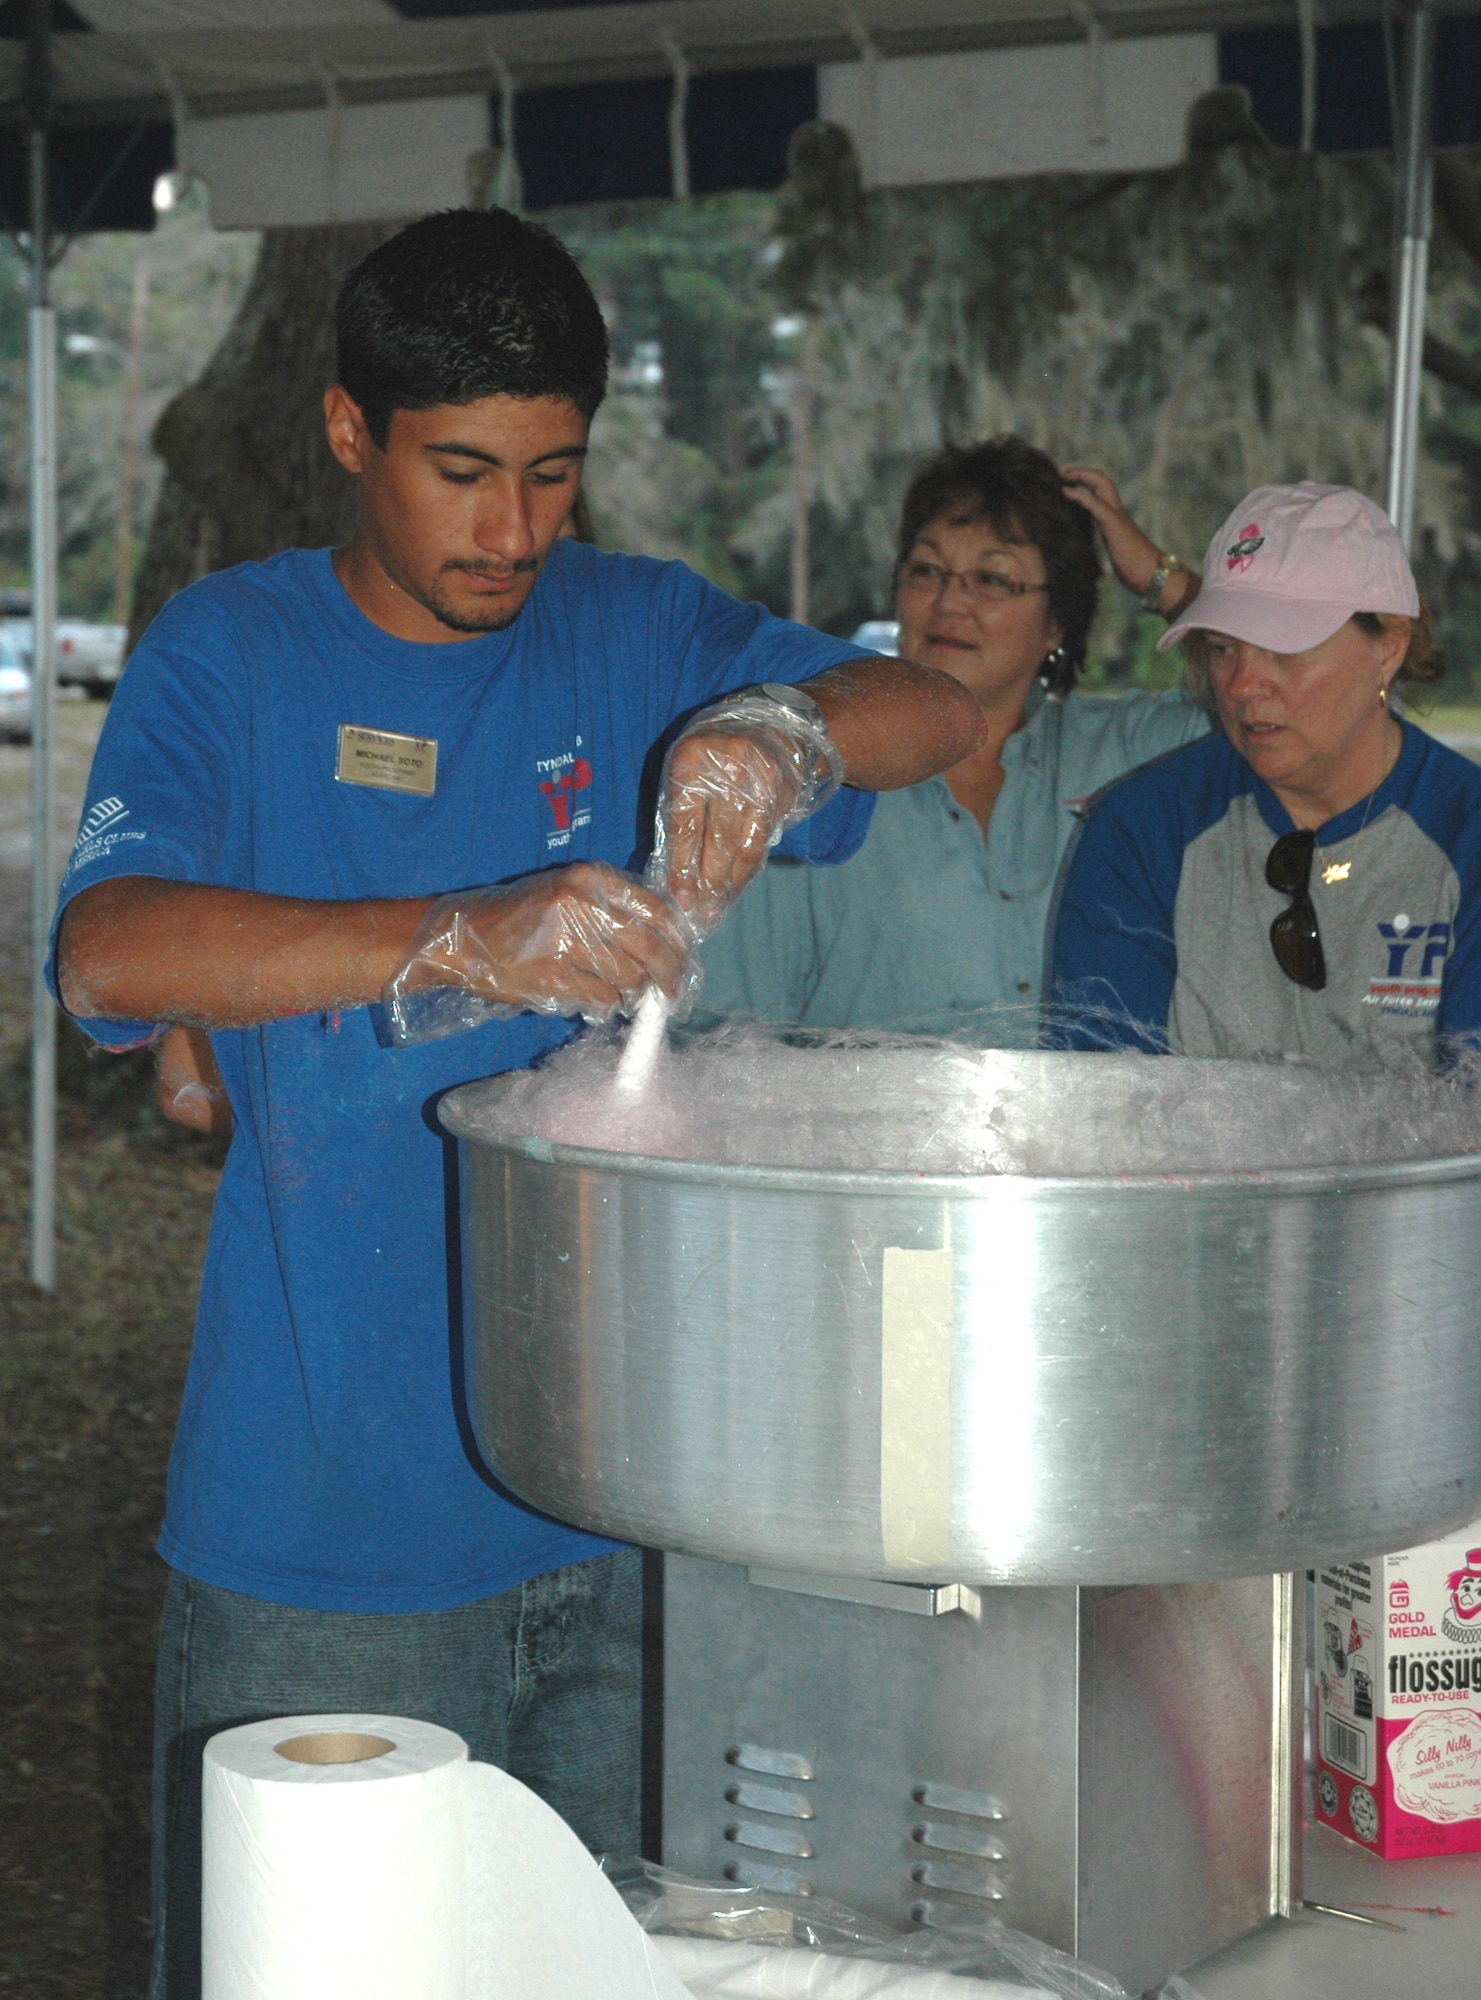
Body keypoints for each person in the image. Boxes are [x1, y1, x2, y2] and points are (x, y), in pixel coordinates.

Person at [50, 208, 984, 1999]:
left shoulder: (635, 631)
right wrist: (461, 935)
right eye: (463, 472)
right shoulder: (229, 656)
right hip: (324, 1538)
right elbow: (109, 949)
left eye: (553, 475)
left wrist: (774, 735)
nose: (512, 532)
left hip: (634, 1524)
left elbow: (928, 702)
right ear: (349, 434)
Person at [693, 440, 1209, 1041]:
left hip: (1094, 1129)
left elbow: (1278, 698)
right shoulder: (813, 769)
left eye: (992, 578)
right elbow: (723, 1033)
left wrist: (1164, 579)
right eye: (927, 571)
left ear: (1057, 622)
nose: (949, 601)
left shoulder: (1124, 752)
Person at [1051, 482, 1481, 1065]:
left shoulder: (1466, 835)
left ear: (1388, 647)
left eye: (1284, 649)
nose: (1242, 686)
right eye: (1223, 648)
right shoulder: (1141, 830)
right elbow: (1103, 1106)